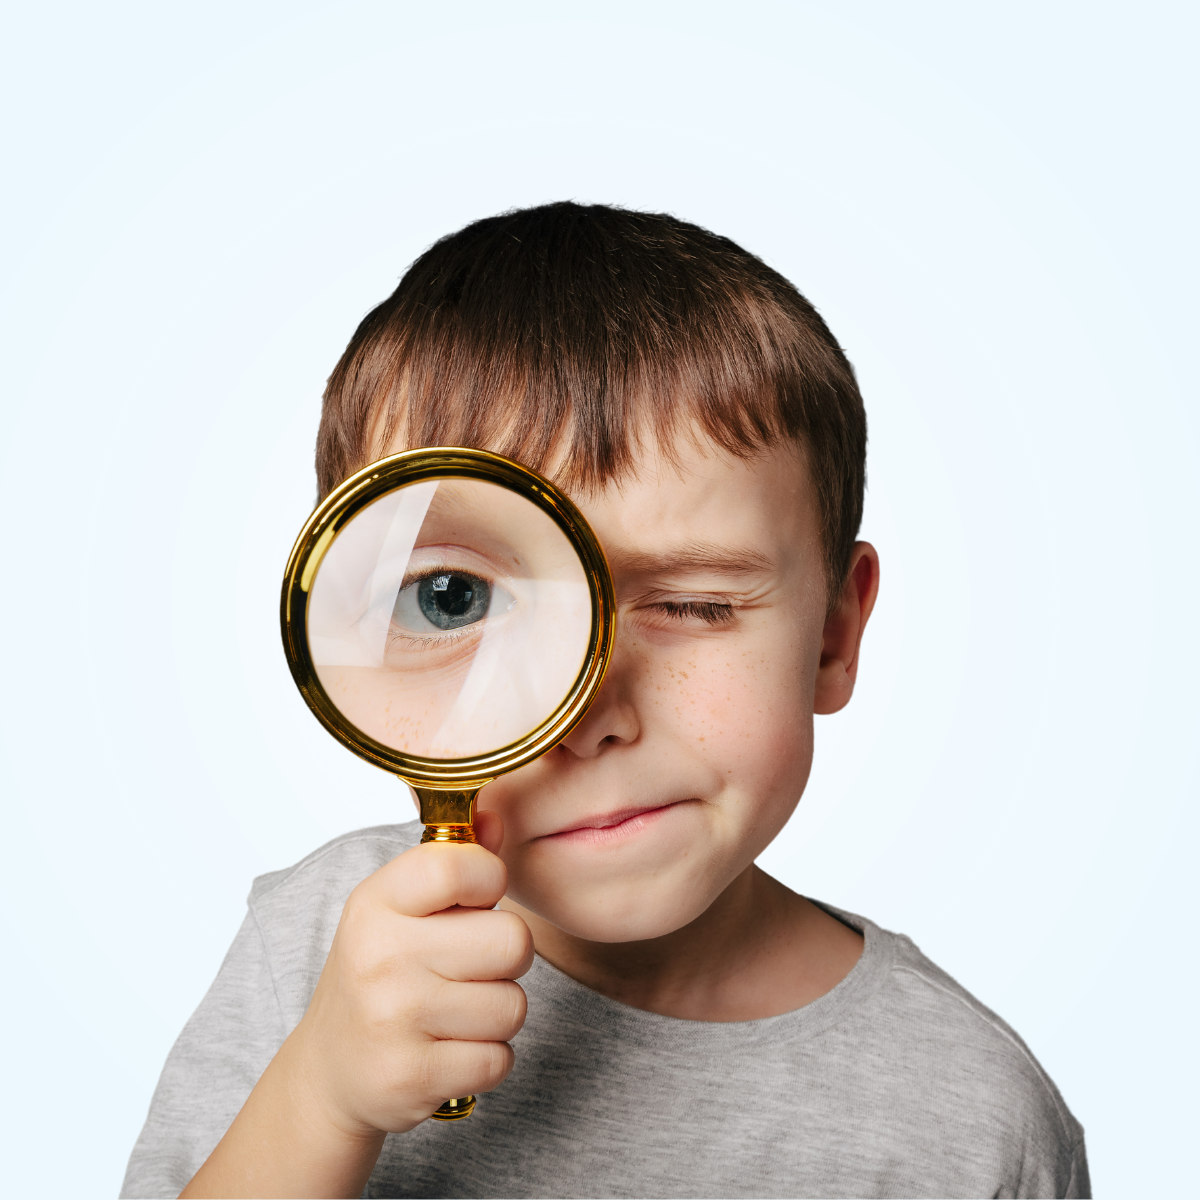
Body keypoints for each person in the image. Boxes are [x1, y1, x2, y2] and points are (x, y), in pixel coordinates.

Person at [122, 202, 1089, 1199]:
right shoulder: (323, 945)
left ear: (834, 638)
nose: (586, 713)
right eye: (453, 598)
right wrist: (321, 1097)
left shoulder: (974, 1115)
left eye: (695, 603)